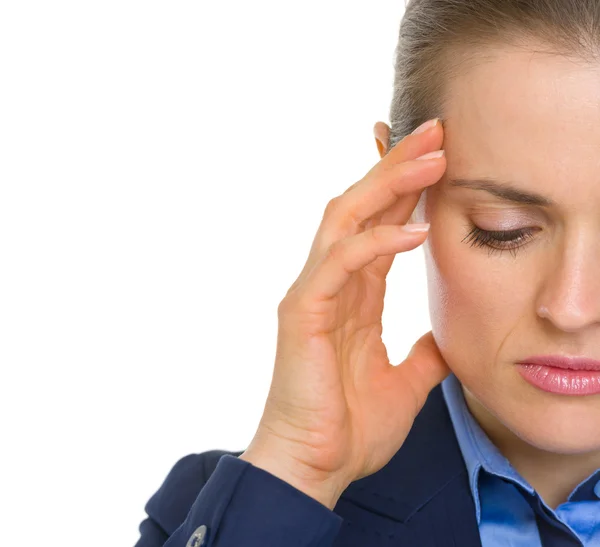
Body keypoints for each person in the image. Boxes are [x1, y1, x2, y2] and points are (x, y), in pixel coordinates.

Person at [134, 0, 600, 545]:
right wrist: (301, 469)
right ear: (400, 192)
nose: (573, 307)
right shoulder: (247, 508)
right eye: (505, 228)